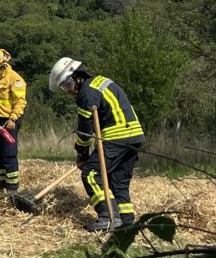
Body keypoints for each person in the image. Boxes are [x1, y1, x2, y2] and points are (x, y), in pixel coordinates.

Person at [49, 57, 145, 231]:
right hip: (135, 136)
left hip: (117, 137)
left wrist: (82, 154)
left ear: (76, 76)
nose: (68, 90)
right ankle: (127, 222)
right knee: (118, 181)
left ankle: (108, 217)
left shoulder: (86, 93)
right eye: (64, 87)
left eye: (67, 84)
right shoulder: (100, 82)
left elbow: (85, 130)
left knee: (91, 175)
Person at [0, 48, 27, 193]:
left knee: (9, 155)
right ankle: (3, 186)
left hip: (8, 122)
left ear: (4, 64)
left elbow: (20, 102)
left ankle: (13, 188)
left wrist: (13, 119)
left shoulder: (15, 79)